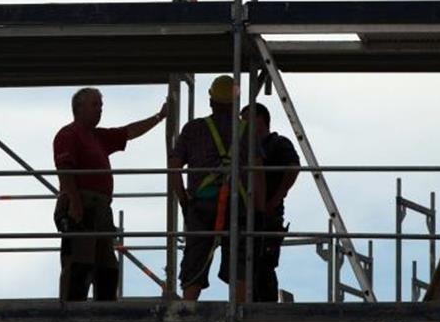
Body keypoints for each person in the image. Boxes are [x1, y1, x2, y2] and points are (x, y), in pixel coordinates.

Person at [52, 87, 167, 301]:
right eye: (95, 105)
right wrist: (75, 202)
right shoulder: (69, 134)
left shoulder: (97, 136)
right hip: (83, 204)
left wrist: (159, 117)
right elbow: (65, 170)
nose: (100, 110)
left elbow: (128, 132)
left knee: (107, 267)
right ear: (79, 108)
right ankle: (70, 314)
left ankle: (104, 311)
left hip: (100, 208)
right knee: (79, 263)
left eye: (101, 105)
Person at [168, 75, 262, 301]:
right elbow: (258, 172)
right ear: (235, 103)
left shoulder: (193, 129)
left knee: (195, 260)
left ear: (211, 101)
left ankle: (188, 312)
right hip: (237, 203)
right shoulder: (247, 131)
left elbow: (173, 167)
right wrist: (259, 210)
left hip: (201, 204)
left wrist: (184, 200)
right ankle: (239, 314)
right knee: (240, 262)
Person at [240, 102, 300, 302]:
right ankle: (252, 305)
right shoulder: (243, 147)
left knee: (264, 264)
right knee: (244, 265)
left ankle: (264, 309)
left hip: (268, 213)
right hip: (246, 214)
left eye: (248, 118)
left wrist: (276, 198)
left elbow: (293, 168)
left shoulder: (278, 143)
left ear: (261, 119)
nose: (244, 124)